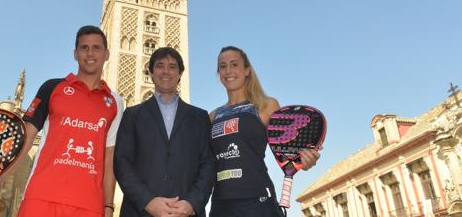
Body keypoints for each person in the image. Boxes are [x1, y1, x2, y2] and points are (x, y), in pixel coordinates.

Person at [0, 25, 124, 217]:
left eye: (96, 47)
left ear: (107, 54)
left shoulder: (115, 102)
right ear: (75, 53)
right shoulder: (52, 88)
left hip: (89, 204)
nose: (90, 53)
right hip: (41, 197)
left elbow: (110, 159)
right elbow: (24, 139)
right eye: (84, 48)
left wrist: (108, 207)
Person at [209, 46, 320, 217]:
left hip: (257, 201)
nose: (228, 70)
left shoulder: (266, 106)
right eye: (222, 66)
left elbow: (288, 160)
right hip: (220, 205)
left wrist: (305, 161)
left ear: (246, 70)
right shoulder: (212, 116)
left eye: (234, 64)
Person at [114, 47, 214, 217]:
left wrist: (191, 203)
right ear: (151, 72)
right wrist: (148, 201)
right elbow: (122, 163)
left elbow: (208, 164)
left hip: (185, 212)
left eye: (172, 66)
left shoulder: (199, 117)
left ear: (180, 73)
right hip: (140, 211)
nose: (166, 71)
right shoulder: (132, 115)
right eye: (160, 66)